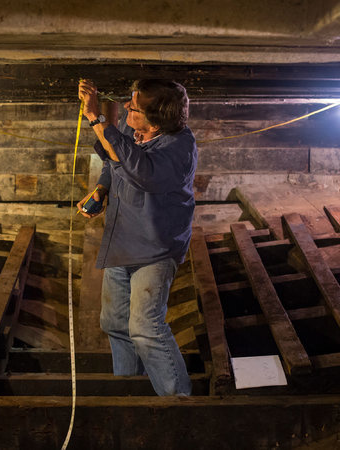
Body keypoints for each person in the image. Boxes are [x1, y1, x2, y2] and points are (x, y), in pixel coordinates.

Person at [77, 79, 197, 396]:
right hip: (123, 239)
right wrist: (102, 188)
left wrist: (95, 118)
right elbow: (114, 160)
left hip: (156, 248)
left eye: (135, 108)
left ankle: (177, 402)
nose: (129, 108)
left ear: (155, 119)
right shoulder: (133, 130)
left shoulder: (179, 147)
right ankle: (129, 394)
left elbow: (141, 170)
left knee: (145, 327)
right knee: (115, 323)